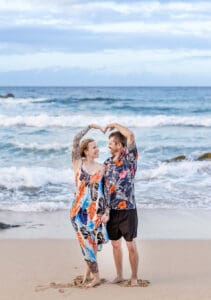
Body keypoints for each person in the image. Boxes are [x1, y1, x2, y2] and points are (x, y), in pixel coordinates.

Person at [70, 124, 109, 288]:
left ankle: (88, 272)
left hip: (96, 213)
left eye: (97, 147)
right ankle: (97, 277)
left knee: (92, 243)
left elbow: (107, 192)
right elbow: (75, 141)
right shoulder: (78, 163)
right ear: (85, 151)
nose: (97, 149)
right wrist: (89, 127)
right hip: (78, 212)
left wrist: (107, 212)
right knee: (85, 243)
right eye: (94, 147)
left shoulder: (102, 168)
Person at [103, 123, 139, 287]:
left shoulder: (130, 159)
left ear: (119, 145)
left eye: (111, 143)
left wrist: (115, 124)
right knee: (115, 245)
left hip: (128, 210)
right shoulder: (107, 163)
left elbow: (130, 135)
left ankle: (134, 277)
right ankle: (119, 275)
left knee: (131, 245)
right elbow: (101, 189)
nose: (108, 146)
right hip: (112, 212)